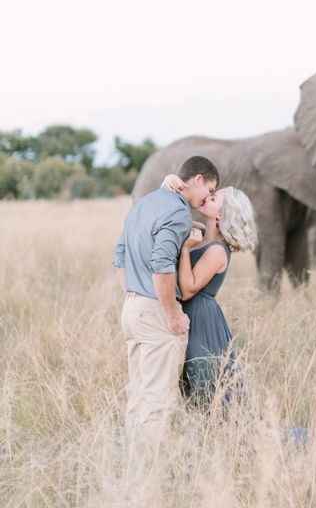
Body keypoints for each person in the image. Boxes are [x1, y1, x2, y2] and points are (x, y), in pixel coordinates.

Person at [113, 156, 219, 451]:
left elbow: (119, 252)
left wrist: (133, 292)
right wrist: (172, 314)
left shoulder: (145, 204)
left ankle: (132, 463)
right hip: (155, 310)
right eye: (208, 191)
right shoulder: (176, 212)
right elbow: (162, 266)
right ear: (198, 179)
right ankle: (150, 478)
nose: (206, 198)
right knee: (158, 402)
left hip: (131, 308)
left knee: (138, 396)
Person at [162, 175, 258, 408]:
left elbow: (187, 290)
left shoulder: (217, 250)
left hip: (202, 320)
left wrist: (185, 250)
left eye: (214, 198)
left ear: (222, 214)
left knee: (202, 381)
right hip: (192, 316)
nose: (207, 197)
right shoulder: (204, 238)